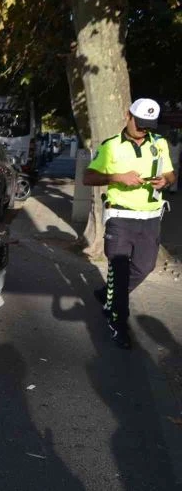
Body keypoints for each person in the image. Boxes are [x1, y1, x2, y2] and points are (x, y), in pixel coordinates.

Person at [83, 98, 177, 349]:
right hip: (120, 218)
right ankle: (118, 323)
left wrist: (165, 181)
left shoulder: (160, 144)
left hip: (150, 218)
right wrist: (117, 177)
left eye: (148, 125)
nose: (143, 130)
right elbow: (88, 177)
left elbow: (170, 173)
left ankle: (107, 295)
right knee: (120, 269)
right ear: (128, 115)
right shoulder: (111, 146)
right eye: (140, 123)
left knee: (144, 267)